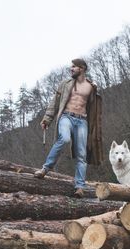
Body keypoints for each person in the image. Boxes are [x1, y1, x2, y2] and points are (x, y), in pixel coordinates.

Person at [34, 58, 103, 197]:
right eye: (71, 67)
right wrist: (47, 119)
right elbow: (55, 102)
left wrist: (95, 90)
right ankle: (45, 169)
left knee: (81, 154)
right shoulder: (65, 84)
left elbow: (94, 107)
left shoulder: (91, 87)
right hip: (66, 117)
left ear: (82, 68)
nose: (71, 69)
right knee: (64, 139)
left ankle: (79, 187)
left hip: (82, 120)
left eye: (74, 67)